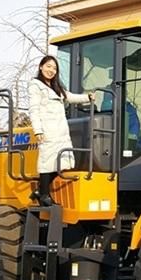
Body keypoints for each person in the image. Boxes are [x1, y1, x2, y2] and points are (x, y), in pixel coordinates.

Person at [28, 55, 92, 206]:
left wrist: (88, 97)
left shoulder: (56, 88)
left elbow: (69, 97)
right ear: (41, 67)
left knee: (61, 163)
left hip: (60, 130)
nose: (51, 70)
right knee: (47, 161)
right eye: (49, 66)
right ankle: (44, 194)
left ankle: (39, 190)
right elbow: (33, 109)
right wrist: (38, 130)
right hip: (47, 129)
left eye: (54, 68)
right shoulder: (36, 85)